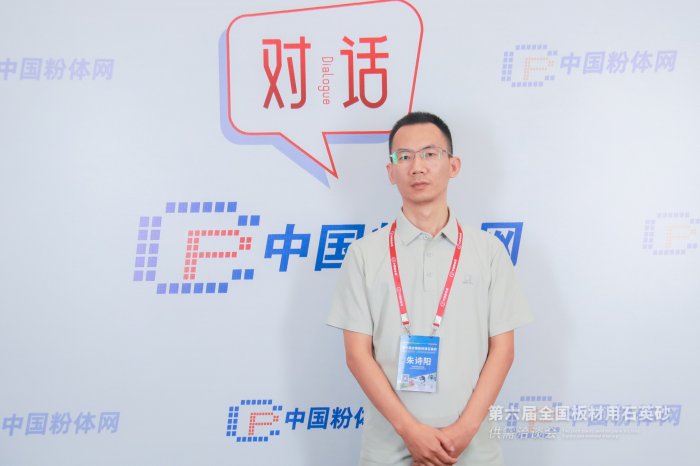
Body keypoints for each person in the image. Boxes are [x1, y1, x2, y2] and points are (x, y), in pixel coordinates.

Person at [327, 111, 533, 466]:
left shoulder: (488, 251)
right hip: (388, 450)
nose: (417, 167)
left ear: (453, 165)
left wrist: (465, 430)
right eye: (404, 157)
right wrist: (410, 430)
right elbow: (357, 355)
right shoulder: (364, 254)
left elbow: (503, 349)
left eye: (429, 154)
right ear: (390, 171)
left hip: (473, 449)